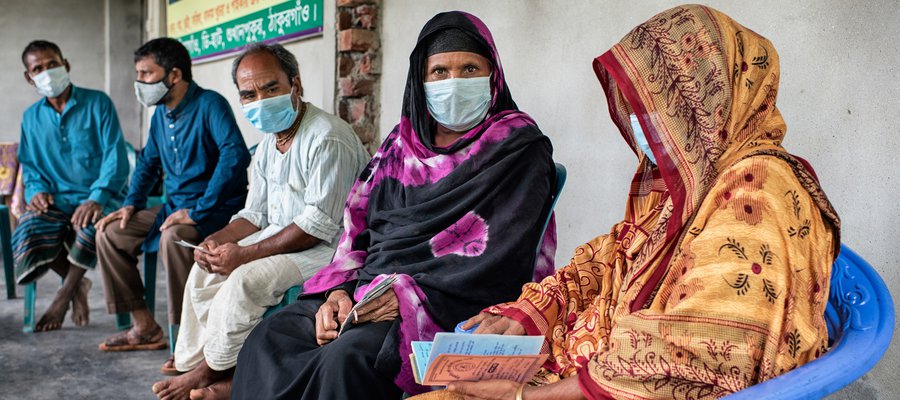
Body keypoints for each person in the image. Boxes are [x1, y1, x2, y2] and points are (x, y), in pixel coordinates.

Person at [424, 5, 841, 400]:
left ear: (704, 102)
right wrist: (533, 312)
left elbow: (697, 353)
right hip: (587, 366)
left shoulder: (756, 193)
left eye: (659, 105)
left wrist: (523, 395)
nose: (644, 123)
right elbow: (612, 256)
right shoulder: (695, 183)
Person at [231, 11, 558, 399]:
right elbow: (356, 227)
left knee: (346, 358)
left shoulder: (516, 147)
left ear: (493, 75)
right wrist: (338, 291)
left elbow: (505, 255)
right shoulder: (400, 146)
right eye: (439, 72)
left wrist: (404, 296)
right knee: (270, 337)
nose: (453, 82)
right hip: (365, 290)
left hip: (448, 300)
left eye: (469, 68)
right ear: (420, 81)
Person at [150, 42, 369, 400]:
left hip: (330, 248)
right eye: (249, 93)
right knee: (206, 271)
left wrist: (243, 256)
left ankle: (214, 372)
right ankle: (196, 362)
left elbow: (317, 226)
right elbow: (256, 214)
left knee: (245, 280)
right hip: (285, 237)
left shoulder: (327, 137)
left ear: (295, 85)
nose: (261, 99)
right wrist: (218, 240)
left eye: (271, 88)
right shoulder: (270, 144)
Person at [94, 38, 251, 356]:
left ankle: (188, 343)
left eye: (146, 74)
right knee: (111, 233)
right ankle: (144, 328)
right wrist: (131, 204)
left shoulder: (210, 104)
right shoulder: (160, 117)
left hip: (217, 211)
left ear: (174, 75)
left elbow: (234, 155)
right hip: (173, 208)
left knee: (175, 237)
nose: (140, 83)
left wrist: (197, 211)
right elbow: (148, 164)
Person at [13, 40, 129, 332]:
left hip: (102, 196)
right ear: (29, 77)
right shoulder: (31, 118)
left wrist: (97, 197)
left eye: (52, 64)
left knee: (92, 227)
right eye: (37, 68)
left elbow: (115, 157)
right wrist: (36, 191)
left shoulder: (98, 103)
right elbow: (31, 167)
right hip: (57, 199)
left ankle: (64, 295)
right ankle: (79, 284)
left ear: (66, 64)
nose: (47, 72)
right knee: (28, 228)